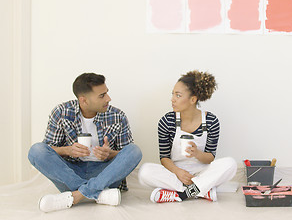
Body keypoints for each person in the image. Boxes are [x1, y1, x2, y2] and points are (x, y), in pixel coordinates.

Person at [28, 73, 142, 212]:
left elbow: (126, 155)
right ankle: (98, 193)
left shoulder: (118, 116)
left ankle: (77, 195)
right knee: (36, 150)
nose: (108, 99)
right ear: (84, 100)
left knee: (134, 151)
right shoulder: (61, 112)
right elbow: (48, 150)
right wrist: (67, 150)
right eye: (102, 95)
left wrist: (110, 154)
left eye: (107, 93)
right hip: (71, 173)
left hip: (105, 173)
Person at [138, 70, 237, 203]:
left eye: (178, 95)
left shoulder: (211, 121)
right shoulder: (166, 121)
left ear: (193, 99)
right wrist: (178, 172)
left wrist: (196, 153)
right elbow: (164, 157)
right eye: (172, 94)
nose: (172, 99)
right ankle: (201, 190)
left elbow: (210, 158)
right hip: (175, 173)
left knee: (230, 164)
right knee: (145, 172)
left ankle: (182, 195)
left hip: (202, 171)